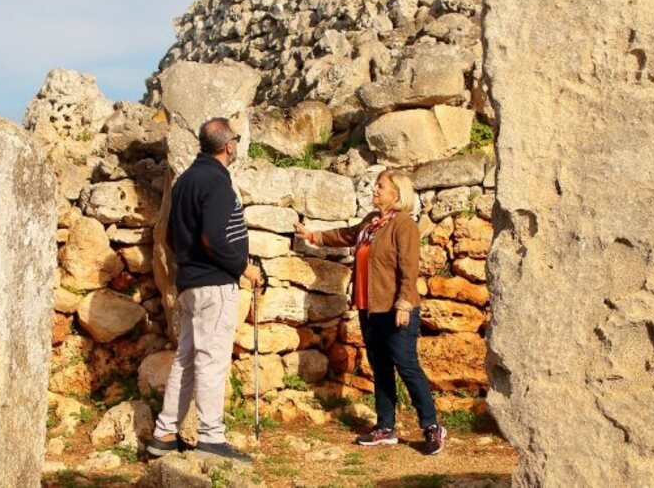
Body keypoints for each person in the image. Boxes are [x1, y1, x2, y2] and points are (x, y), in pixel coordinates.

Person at [294, 170, 446, 455]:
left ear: (396, 194)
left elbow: (409, 268)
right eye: (376, 186)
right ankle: (385, 427)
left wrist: (403, 303)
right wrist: (313, 235)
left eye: (381, 187)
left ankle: (431, 426)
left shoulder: (404, 225)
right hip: (370, 308)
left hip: (395, 308)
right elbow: (346, 235)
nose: (375, 190)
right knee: (381, 368)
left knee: (407, 366)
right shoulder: (370, 223)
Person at [148, 117, 261, 462]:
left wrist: (187, 260)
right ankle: (211, 437)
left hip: (190, 283)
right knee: (211, 361)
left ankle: (165, 433)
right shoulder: (215, 180)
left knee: (187, 359)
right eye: (237, 141)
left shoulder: (184, 182)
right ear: (228, 145)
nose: (237, 146)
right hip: (214, 284)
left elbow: (166, 233)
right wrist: (244, 267)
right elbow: (213, 236)